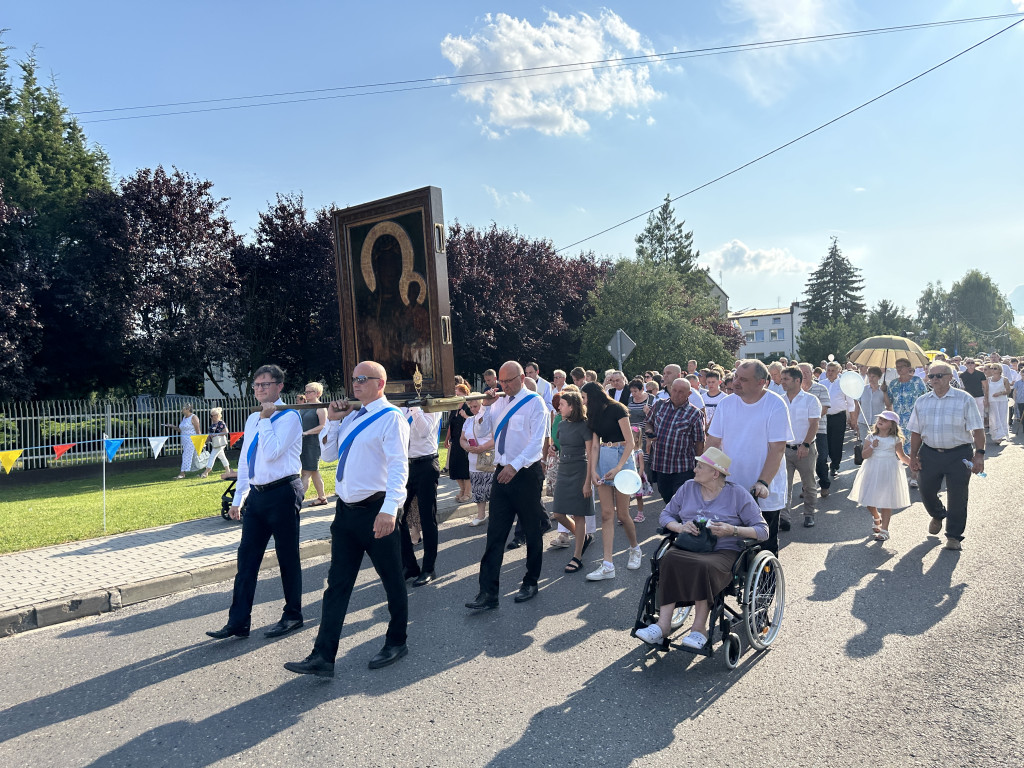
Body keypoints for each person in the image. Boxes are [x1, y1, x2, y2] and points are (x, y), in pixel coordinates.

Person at [284, 361, 410, 677]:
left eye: (363, 379)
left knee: (392, 580)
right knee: (337, 585)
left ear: (380, 383)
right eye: (354, 379)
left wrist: (390, 509)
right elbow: (328, 456)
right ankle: (323, 656)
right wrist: (336, 422)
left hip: (377, 510)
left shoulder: (391, 418)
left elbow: (398, 466)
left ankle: (397, 640)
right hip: (346, 513)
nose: (356, 384)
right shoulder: (352, 416)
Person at [634, 447, 768, 649]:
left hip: (723, 551)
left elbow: (762, 530)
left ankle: (699, 629)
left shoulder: (737, 494)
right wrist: (679, 527)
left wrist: (732, 530)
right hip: (690, 546)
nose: (694, 470)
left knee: (703, 566)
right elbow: (665, 515)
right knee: (668, 559)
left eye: (699, 466)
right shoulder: (688, 487)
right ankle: (662, 625)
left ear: (715, 473)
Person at [207, 364, 304, 641]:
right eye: (257, 385)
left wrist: (265, 419)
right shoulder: (254, 419)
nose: (260, 389)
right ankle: (238, 621)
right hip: (258, 495)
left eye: (265, 384)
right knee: (246, 559)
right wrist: (239, 498)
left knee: (287, 556)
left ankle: (293, 615)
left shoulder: (290, 416)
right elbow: (248, 462)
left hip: (284, 491)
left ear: (279, 386)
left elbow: (273, 453)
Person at [466, 361, 549, 610]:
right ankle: (488, 592)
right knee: (495, 534)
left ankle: (531, 581)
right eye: (501, 381)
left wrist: (516, 465)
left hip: (524, 472)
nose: (504, 386)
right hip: (502, 472)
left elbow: (536, 443)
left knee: (532, 531)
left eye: (509, 381)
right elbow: (484, 431)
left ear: (522, 378)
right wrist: (486, 408)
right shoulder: (498, 403)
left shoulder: (535, 402)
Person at [705, 360, 792, 557]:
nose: (735, 382)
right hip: (730, 488)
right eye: (735, 376)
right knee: (728, 544)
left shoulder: (775, 405)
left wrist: (763, 482)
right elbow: (713, 442)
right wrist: (703, 473)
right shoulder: (726, 404)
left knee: (764, 545)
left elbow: (777, 449)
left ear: (761, 382)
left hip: (762, 491)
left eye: (743, 379)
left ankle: (766, 587)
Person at [908, 362, 985, 551]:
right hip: (930, 452)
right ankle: (938, 513)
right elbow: (916, 432)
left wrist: (979, 455)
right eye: (931, 376)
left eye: (938, 376)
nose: (934, 380)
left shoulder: (964, 399)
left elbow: (977, 429)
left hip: (959, 454)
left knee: (958, 496)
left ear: (950, 377)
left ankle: (954, 536)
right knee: (925, 490)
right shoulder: (922, 401)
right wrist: (913, 456)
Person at [581, 381, 643, 581]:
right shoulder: (593, 414)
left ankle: (635, 549)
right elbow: (595, 447)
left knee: (623, 514)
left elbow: (631, 442)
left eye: (584, 398)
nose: (583, 401)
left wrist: (618, 468)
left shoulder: (617, 409)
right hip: (604, 458)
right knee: (606, 514)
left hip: (621, 458)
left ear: (593, 396)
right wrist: (592, 472)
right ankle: (608, 564)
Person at [551, 388, 596, 574]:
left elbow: (590, 454)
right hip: (564, 470)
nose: (558, 407)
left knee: (579, 515)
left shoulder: (585, 425)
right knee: (558, 513)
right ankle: (582, 536)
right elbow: (560, 444)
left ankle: (577, 557)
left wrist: (588, 482)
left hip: (580, 471)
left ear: (572, 406)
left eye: (562, 404)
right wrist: (553, 447)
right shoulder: (561, 423)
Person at [848, 411, 911, 542]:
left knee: (886, 501)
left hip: (888, 470)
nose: (880, 420)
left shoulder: (895, 439)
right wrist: (872, 446)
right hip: (872, 468)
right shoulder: (871, 437)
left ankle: (884, 530)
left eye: (885, 420)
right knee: (868, 500)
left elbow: (902, 456)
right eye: (880, 418)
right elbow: (864, 455)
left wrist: (913, 464)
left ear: (892, 425)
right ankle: (876, 517)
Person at [399, 403, 443, 586]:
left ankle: (428, 568)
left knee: (427, 518)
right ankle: (409, 565)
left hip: (426, 464)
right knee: (397, 517)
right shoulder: (399, 408)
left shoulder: (431, 406)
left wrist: (415, 407)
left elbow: (424, 431)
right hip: (405, 465)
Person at [645, 378, 705, 503]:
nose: (676, 394)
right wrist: (650, 431)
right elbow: (649, 423)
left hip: (682, 467)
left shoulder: (695, 413)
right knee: (666, 496)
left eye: (681, 392)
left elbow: (699, 442)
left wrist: (699, 466)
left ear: (689, 394)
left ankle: (678, 522)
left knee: (680, 501)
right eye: (675, 390)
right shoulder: (659, 405)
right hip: (661, 464)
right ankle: (673, 520)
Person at [780, 366, 819, 529]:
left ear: (797, 380)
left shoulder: (810, 399)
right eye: (782, 379)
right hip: (784, 449)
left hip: (805, 449)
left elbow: (814, 424)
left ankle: (809, 514)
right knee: (784, 485)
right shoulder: (780, 399)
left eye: (786, 379)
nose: (782, 382)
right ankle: (784, 517)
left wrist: (806, 444)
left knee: (808, 484)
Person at [884, 357, 928, 489]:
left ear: (909, 368)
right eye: (897, 367)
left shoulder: (917, 381)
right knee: (899, 449)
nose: (899, 369)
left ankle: (914, 475)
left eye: (902, 366)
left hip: (915, 420)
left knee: (915, 449)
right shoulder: (893, 384)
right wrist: (884, 391)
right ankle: (898, 477)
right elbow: (888, 404)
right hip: (899, 422)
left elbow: (925, 398)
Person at [798, 363, 831, 499]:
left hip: (820, 429)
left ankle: (824, 484)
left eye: (807, 372)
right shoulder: (795, 390)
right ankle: (806, 488)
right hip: (801, 431)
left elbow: (824, 408)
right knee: (803, 461)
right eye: (801, 372)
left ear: (812, 373)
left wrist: (812, 419)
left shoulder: (821, 388)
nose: (804, 375)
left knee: (821, 458)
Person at [459, 395, 494, 526]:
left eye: (476, 406)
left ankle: (494, 514)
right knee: (478, 487)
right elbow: (462, 438)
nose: (473, 409)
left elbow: (496, 438)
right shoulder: (469, 421)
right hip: (473, 459)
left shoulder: (490, 418)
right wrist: (466, 446)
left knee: (491, 487)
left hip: (488, 458)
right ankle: (480, 515)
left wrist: (482, 447)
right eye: (471, 407)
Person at [821, 362, 857, 478]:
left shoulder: (843, 384)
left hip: (838, 417)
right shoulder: (821, 384)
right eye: (828, 370)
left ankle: (835, 465)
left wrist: (852, 419)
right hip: (824, 417)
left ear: (838, 372)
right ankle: (823, 466)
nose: (830, 373)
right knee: (824, 442)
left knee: (836, 442)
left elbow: (850, 403)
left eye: (833, 370)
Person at [298, 382, 327, 505]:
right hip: (302, 443)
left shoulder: (320, 408)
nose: (306, 394)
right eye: (306, 391)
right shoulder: (304, 407)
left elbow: (323, 426)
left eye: (310, 392)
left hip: (313, 444)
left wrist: (307, 433)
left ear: (318, 393)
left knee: (306, 472)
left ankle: (297, 500)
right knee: (314, 471)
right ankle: (322, 497)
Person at [447, 383, 472, 502]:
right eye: (455, 394)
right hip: (455, 440)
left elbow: (476, 421)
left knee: (465, 467)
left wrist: (466, 415)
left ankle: (468, 492)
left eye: (459, 394)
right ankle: (461, 490)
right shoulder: (454, 407)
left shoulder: (469, 407)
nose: (457, 396)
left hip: (466, 440)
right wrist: (447, 439)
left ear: (465, 394)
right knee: (455, 466)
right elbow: (450, 425)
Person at [167, 404, 202, 479]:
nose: (182, 410)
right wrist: (173, 427)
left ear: (188, 409)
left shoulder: (194, 417)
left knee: (186, 455)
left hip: (192, 440)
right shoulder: (184, 418)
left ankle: (182, 473)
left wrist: (200, 441)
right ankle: (208, 469)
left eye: (183, 408)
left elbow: (198, 430)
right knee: (194, 456)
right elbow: (181, 430)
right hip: (184, 440)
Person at [854, 367, 886, 442]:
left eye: (873, 376)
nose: (871, 379)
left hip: (878, 423)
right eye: (869, 376)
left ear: (879, 377)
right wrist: (855, 420)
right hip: (863, 422)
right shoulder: (863, 389)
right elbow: (858, 406)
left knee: (878, 446)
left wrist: (885, 392)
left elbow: (888, 405)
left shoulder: (883, 390)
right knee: (865, 446)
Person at [200, 407, 231, 479]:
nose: (211, 417)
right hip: (215, 443)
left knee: (212, 456)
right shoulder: (211, 425)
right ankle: (228, 470)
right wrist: (204, 442)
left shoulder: (221, 423)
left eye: (212, 415)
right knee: (222, 457)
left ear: (217, 415)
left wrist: (217, 434)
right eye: (210, 415)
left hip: (220, 443)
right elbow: (210, 436)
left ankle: (206, 471)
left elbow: (226, 432)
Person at [983, 363, 1011, 443]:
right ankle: (996, 435)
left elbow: (1008, 390)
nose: (993, 370)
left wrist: (1000, 393)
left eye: (995, 368)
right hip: (992, 401)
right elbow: (986, 391)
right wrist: (986, 400)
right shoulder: (988, 379)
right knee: (994, 418)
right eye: (991, 368)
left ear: (999, 370)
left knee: (1002, 417)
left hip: (1002, 401)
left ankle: (1001, 435)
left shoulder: (1004, 379)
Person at [959, 359, 987, 425]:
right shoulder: (962, 375)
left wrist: (986, 397)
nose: (970, 364)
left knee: (980, 414)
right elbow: (962, 388)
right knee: (969, 414)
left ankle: (981, 430)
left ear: (974, 364)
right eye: (968, 363)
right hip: (968, 397)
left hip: (979, 396)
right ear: (965, 365)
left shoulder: (980, 374)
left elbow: (985, 386)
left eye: (972, 363)